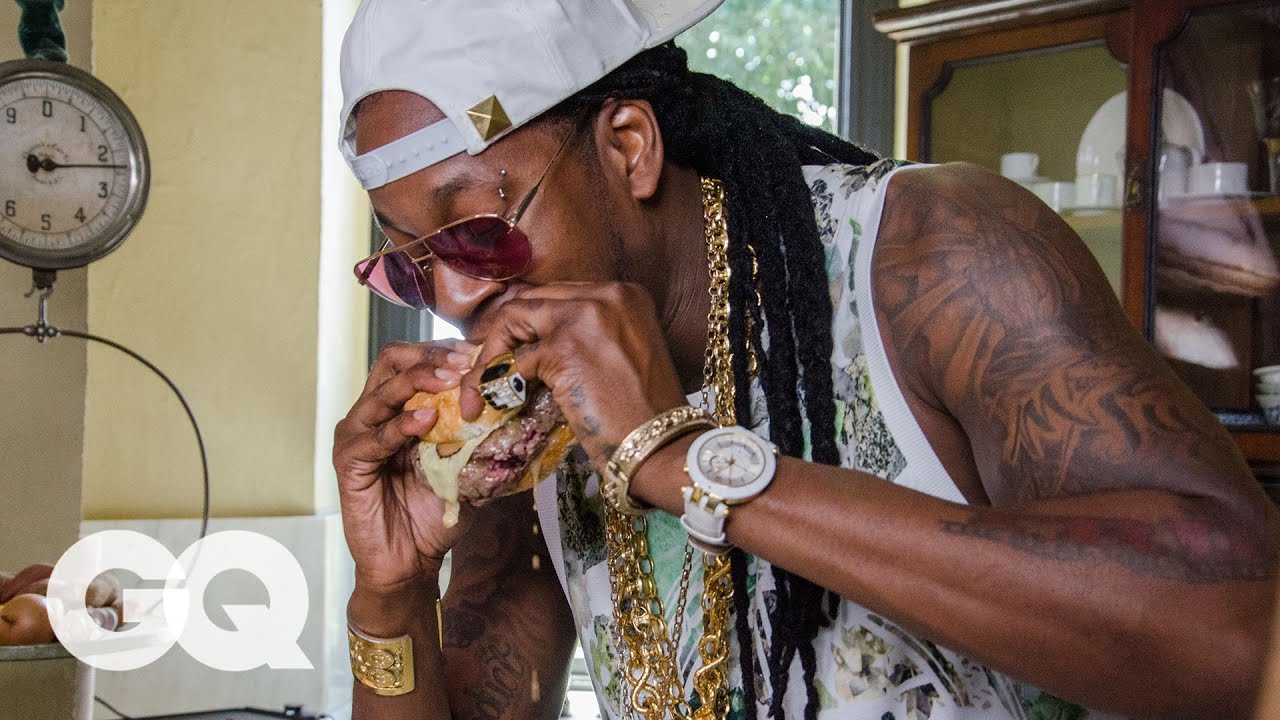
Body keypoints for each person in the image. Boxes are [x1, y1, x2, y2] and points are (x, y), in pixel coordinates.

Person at [330, 1, 1280, 719]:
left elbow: (1234, 639)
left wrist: (690, 464)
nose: (456, 299)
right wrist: (391, 592)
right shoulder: (533, 422)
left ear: (628, 148)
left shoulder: (934, 255)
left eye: (478, 231)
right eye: (410, 265)